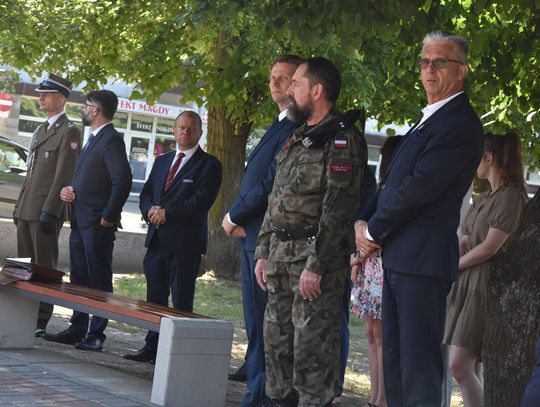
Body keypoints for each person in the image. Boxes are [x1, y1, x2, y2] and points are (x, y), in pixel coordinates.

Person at [354, 30, 484, 406]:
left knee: (419, 373)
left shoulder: (458, 123)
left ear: (462, 70)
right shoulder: (428, 119)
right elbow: (392, 183)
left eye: (440, 62)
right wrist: (363, 222)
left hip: (423, 262)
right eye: (424, 62)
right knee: (395, 368)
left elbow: (419, 188)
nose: (429, 69)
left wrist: (373, 232)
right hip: (401, 257)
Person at [254, 57, 367, 407]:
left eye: (296, 84)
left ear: (317, 91)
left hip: (312, 262)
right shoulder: (297, 137)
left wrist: (316, 265)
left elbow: (338, 209)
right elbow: (277, 197)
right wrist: (263, 251)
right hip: (280, 258)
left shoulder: (342, 140)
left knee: (311, 356)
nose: (289, 90)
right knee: (277, 350)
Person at [221, 55, 303, 405]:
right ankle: (257, 392)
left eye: (283, 77)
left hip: (267, 239)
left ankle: (265, 395)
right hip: (252, 234)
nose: (274, 83)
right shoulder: (279, 123)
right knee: (256, 324)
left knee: (269, 325)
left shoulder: (296, 127)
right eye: (272, 76)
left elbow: (271, 182)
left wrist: (235, 214)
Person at [123, 111, 222, 363]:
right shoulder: (163, 161)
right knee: (154, 299)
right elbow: (146, 193)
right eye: (181, 127)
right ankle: (152, 347)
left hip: (184, 246)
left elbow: (200, 201)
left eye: (191, 128)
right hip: (156, 242)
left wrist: (168, 213)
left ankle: (177, 355)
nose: (185, 132)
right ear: (174, 130)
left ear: (200, 132)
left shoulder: (209, 165)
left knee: (180, 303)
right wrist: (149, 210)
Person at [444, 131, 527, 406]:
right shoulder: (484, 198)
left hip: (484, 286)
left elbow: (490, 247)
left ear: (489, 158)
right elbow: (466, 239)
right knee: (472, 366)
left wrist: (454, 265)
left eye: (477, 157)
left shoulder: (511, 197)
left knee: (459, 365)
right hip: (467, 284)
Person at [45, 90, 132, 352]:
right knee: (79, 278)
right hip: (80, 220)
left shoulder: (111, 139)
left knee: (99, 279)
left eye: (86, 106)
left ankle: (96, 334)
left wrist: (108, 216)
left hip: (97, 224)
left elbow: (122, 180)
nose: (83, 109)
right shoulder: (93, 138)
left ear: (95, 110)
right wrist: (69, 190)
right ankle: (77, 327)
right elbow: (88, 178)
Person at [13, 73, 81, 337]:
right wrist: (19, 206)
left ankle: (40, 319)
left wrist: (50, 210)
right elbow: (31, 173)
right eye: (40, 94)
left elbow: (63, 175)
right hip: (27, 208)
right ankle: (21, 314)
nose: (40, 98)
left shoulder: (69, 131)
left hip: (44, 210)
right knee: (22, 267)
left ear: (61, 99)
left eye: (47, 94)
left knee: (43, 267)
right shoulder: (41, 129)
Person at [350, 136, 402, 407]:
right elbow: (362, 220)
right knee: (371, 334)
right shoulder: (382, 189)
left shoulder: (394, 192)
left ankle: (382, 399)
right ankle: (374, 395)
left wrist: (358, 257)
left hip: (380, 267)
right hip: (369, 268)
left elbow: (379, 233)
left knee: (381, 337)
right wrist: (357, 259)